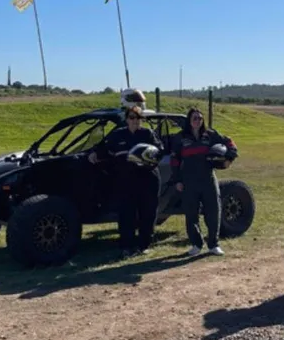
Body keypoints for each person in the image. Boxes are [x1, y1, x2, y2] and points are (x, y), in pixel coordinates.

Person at [88, 105, 164, 259]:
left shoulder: (148, 134)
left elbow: (160, 150)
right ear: (127, 119)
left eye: (138, 118)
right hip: (125, 181)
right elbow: (103, 148)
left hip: (148, 179)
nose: (135, 121)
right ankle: (127, 246)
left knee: (147, 213)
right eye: (131, 117)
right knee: (126, 214)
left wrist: (152, 155)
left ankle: (144, 245)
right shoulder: (117, 135)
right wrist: (94, 153)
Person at [170, 107, 238, 257]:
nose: (197, 121)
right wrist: (177, 180)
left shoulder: (210, 134)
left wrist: (229, 159)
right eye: (194, 118)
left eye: (200, 118)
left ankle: (213, 244)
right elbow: (174, 160)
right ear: (189, 120)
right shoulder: (181, 137)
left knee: (213, 212)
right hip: (189, 180)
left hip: (208, 178)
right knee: (191, 214)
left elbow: (229, 143)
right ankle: (196, 244)